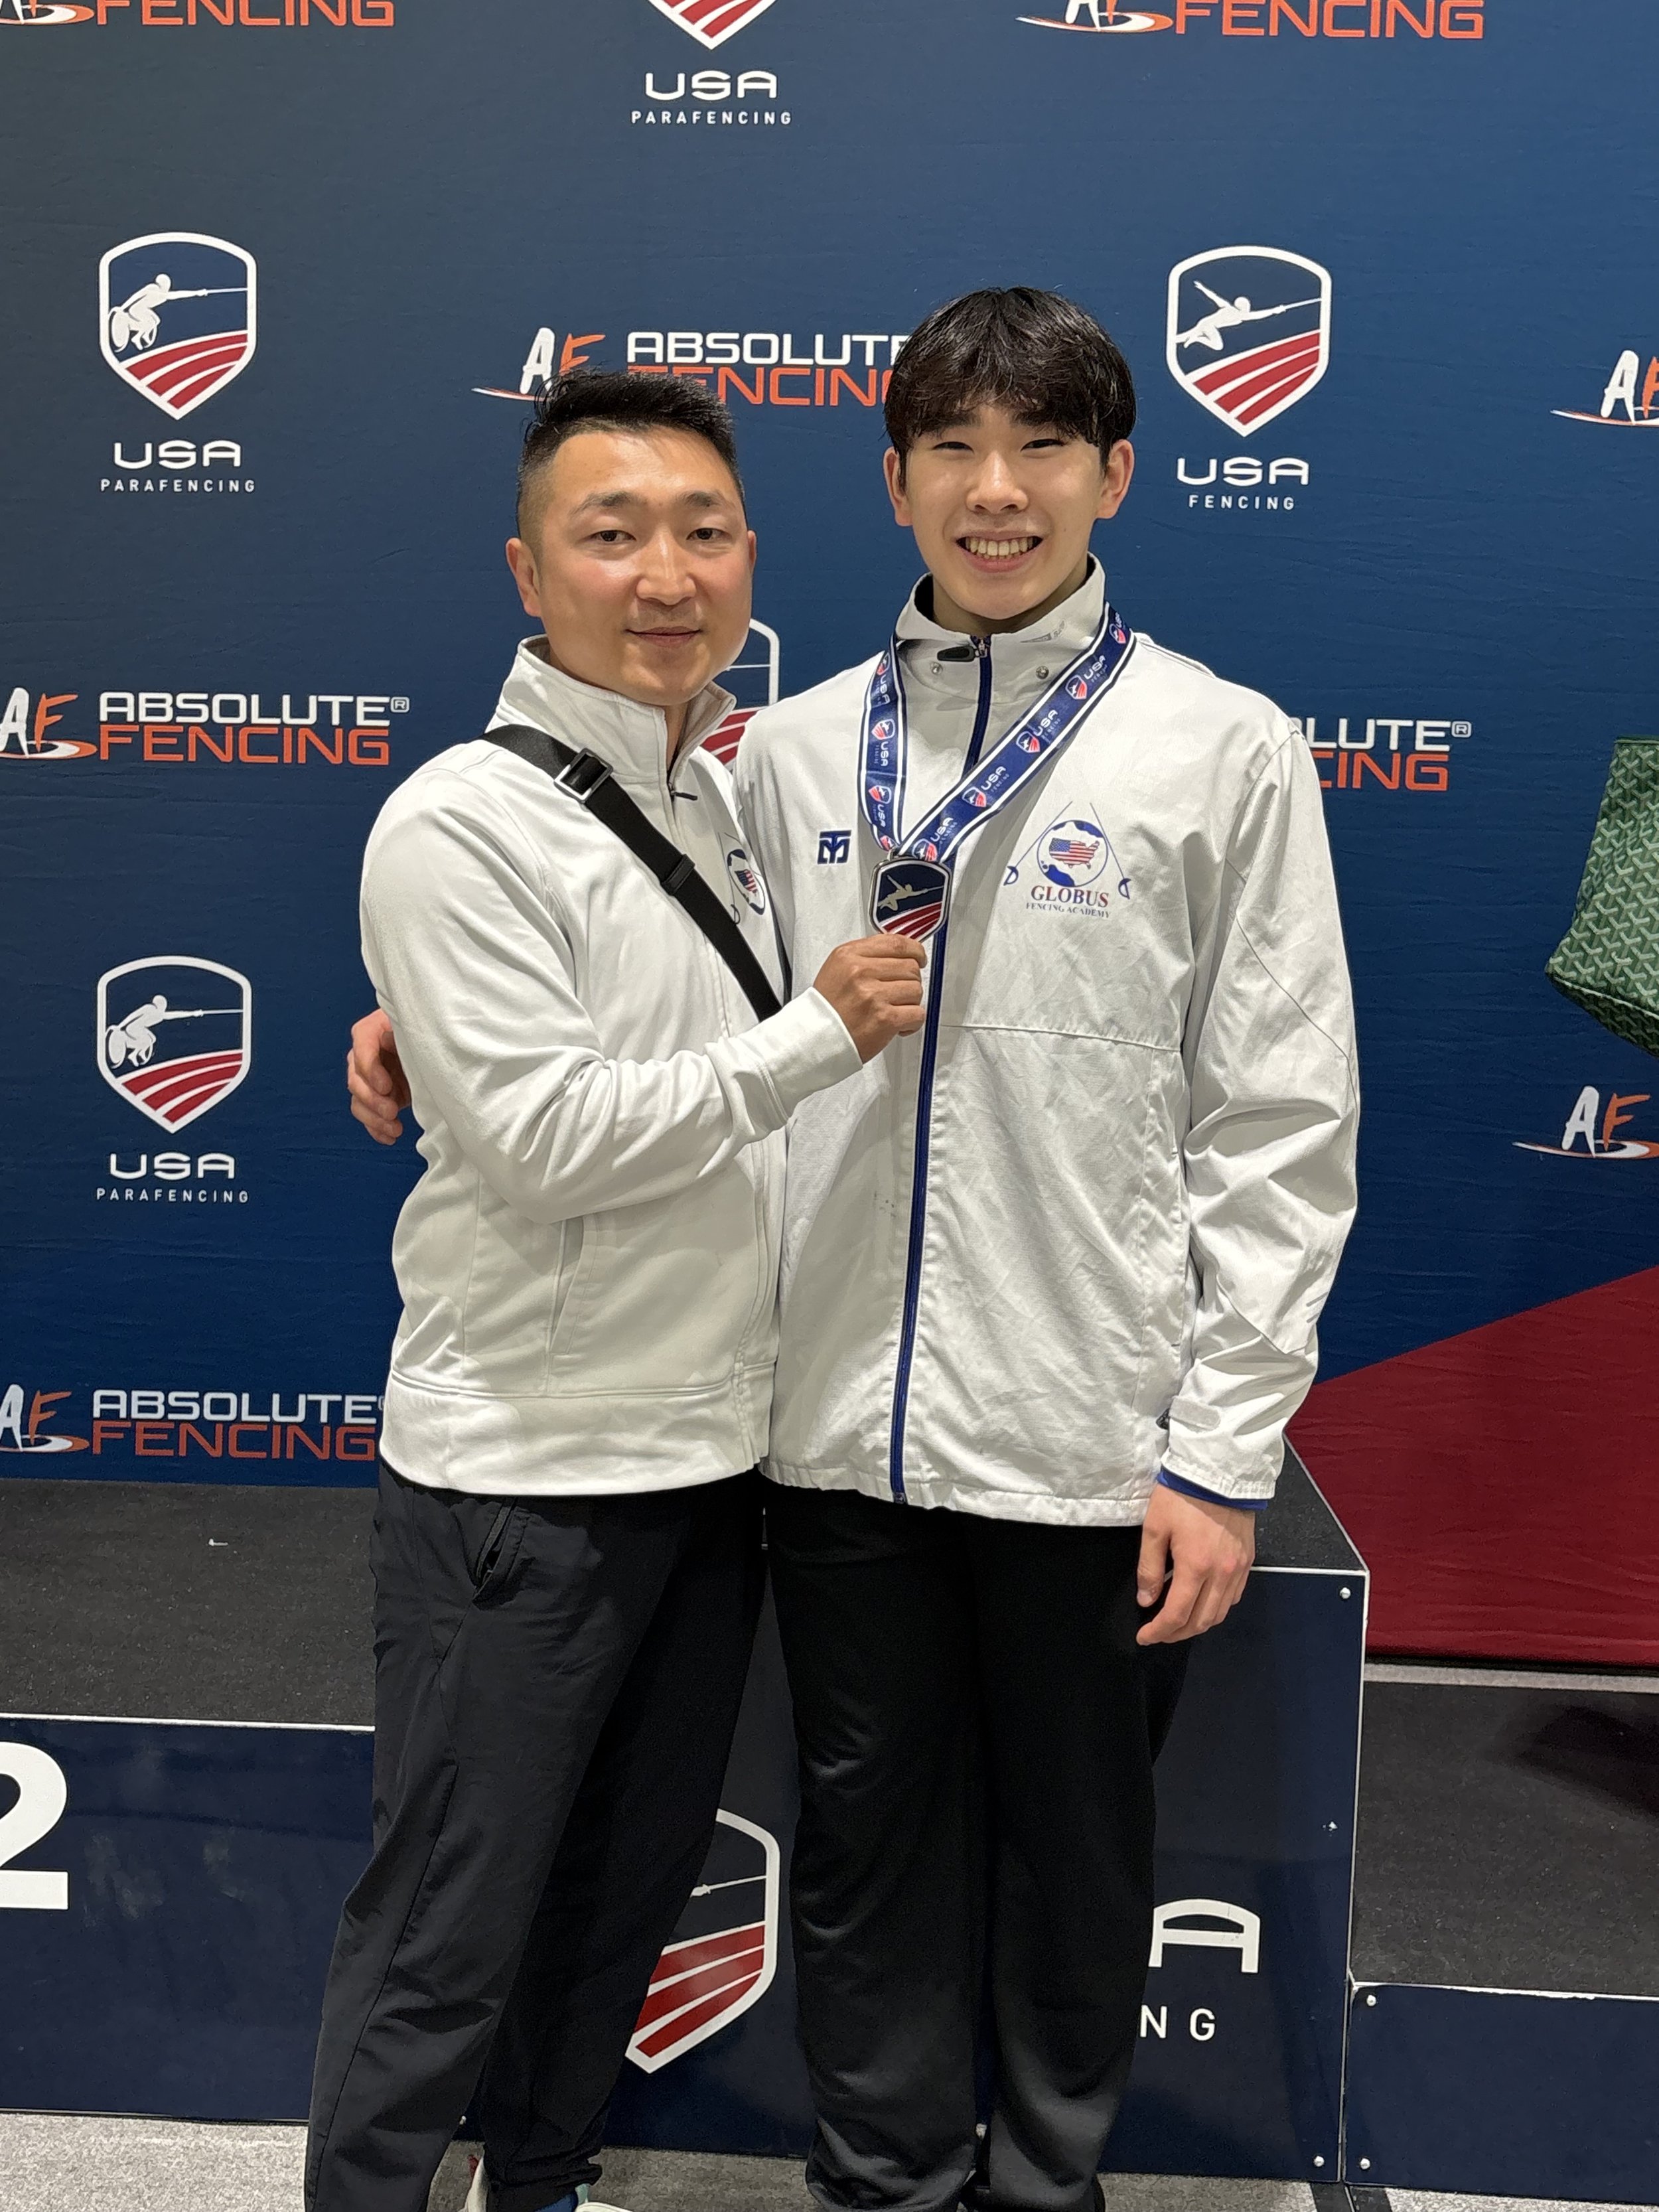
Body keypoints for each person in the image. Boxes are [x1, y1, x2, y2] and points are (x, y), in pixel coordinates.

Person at [350, 289, 1359, 2212]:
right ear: (890, 481)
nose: (999, 493)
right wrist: (404, 1005)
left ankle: (1043, 2188)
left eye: (1043, 448)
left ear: (1115, 475)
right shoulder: (784, 752)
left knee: (1076, 1864)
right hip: (823, 1432)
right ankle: (883, 2185)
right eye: (954, 452)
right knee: (868, 1852)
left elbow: (1283, 1122)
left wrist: (1220, 1445)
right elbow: (610, 932)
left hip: (1087, 1433)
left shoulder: (1219, 749)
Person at [308, 370, 924, 2212]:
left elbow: (630, 1036)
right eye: (610, 533)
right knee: (446, 1928)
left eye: (702, 530)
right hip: (522, 1482)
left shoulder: (736, 789)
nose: (664, 572)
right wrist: (814, 1034)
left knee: (620, 1901)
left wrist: (429, 1041)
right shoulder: (454, 824)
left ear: (748, 556)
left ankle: (550, 2180)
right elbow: (559, 1143)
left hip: (708, 1464)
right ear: (527, 571)